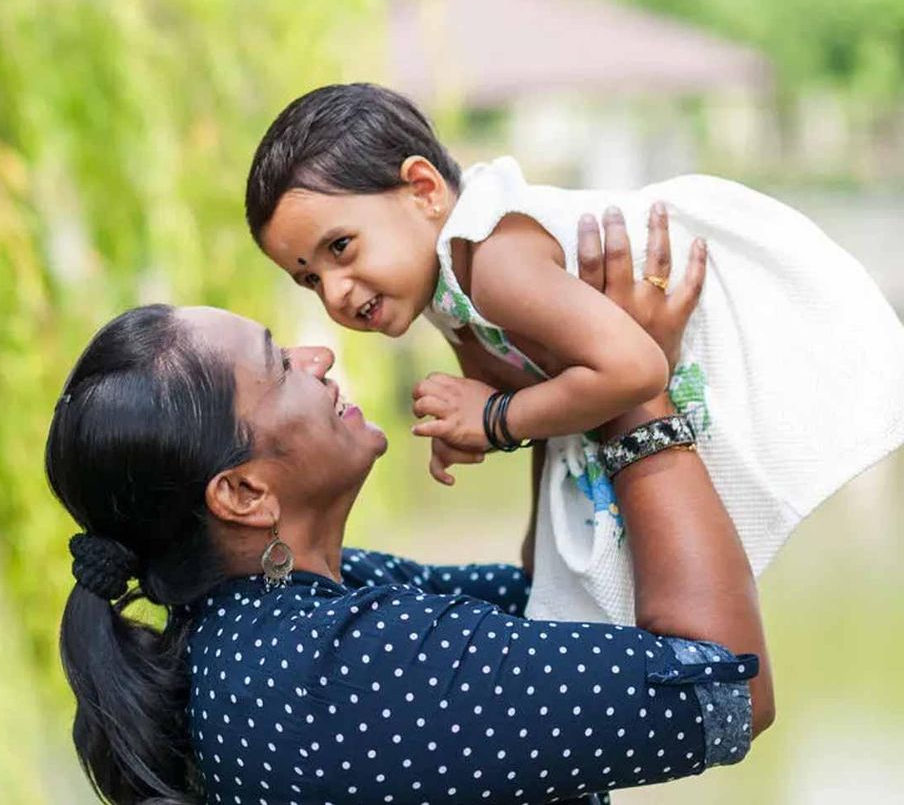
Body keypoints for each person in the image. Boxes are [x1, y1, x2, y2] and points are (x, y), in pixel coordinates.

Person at [47, 218, 772, 805]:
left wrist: (544, 388)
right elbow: (725, 687)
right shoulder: (347, 669)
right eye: (277, 365)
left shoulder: (287, 614)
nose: (317, 358)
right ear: (243, 494)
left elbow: (559, 599)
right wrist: (636, 390)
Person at [242, 82, 904, 623]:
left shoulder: (497, 259)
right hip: (630, 379)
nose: (334, 291)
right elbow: (539, 380)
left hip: (746, 322)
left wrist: (497, 416)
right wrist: (481, 423)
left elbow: (636, 368)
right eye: (308, 278)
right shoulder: (447, 280)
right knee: (558, 583)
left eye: (340, 248)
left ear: (424, 191)